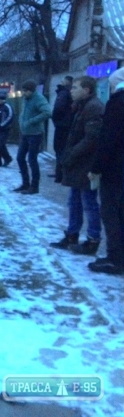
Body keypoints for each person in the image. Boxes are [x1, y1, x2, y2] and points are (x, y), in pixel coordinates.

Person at [48, 76, 104, 255]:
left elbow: (91, 138)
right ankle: (72, 234)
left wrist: (71, 154)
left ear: (87, 90)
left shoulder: (93, 107)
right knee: (74, 201)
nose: (71, 91)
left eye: (75, 88)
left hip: (86, 162)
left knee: (88, 202)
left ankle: (93, 239)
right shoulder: (82, 105)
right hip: (78, 163)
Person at [87, 68, 124, 274]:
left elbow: (108, 139)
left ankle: (115, 258)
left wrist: (96, 167)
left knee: (111, 212)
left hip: (116, 169)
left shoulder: (118, 103)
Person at [13, 80, 51, 195]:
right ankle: (25, 183)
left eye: (25, 91)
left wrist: (31, 122)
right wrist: (22, 122)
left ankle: (34, 186)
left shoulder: (39, 99)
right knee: (20, 158)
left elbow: (48, 112)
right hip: (25, 133)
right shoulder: (26, 99)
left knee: (32, 160)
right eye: (22, 91)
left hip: (35, 134)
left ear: (31, 90)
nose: (23, 93)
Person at [51, 76, 74, 183]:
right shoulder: (66, 92)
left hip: (62, 125)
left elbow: (58, 108)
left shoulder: (64, 93)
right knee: (61, 149)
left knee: (60, 149)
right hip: (65, 124)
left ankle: (60, 174)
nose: (60, 82)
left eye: (63, 80)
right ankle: (59, 173)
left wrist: (55, 119)